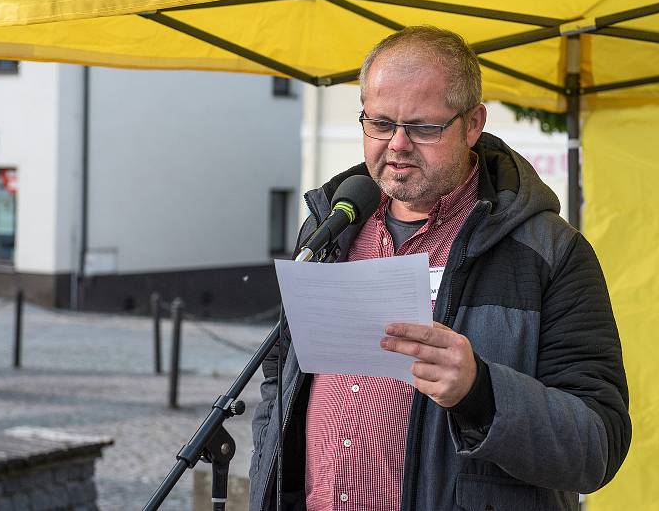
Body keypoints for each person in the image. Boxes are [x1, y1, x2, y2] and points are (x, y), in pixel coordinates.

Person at [249, 26, 631, 511]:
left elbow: (598, 447)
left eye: (424, 127)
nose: (398, 144)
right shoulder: (331, 227)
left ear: (473, 124)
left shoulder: (551, 253)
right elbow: (280, 376)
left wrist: (482, 392)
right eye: (380, 122)